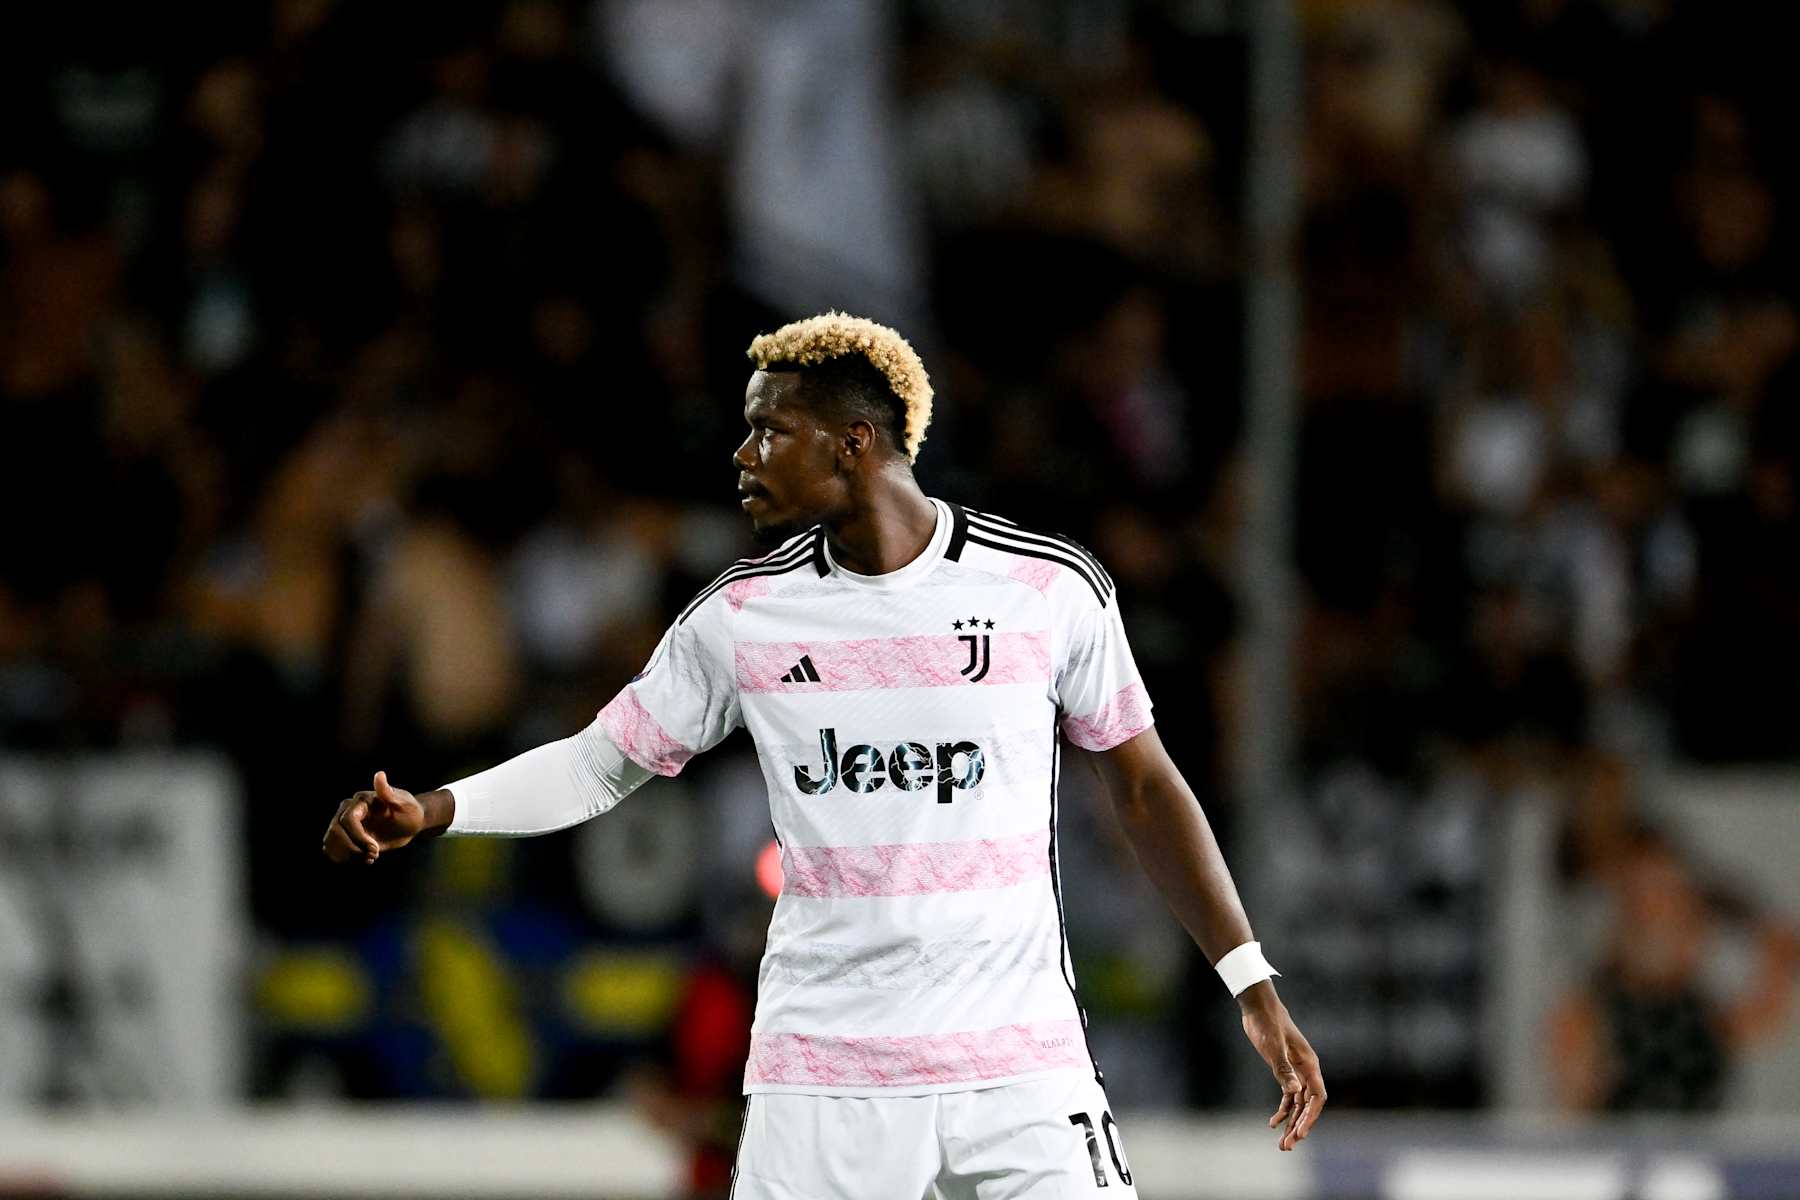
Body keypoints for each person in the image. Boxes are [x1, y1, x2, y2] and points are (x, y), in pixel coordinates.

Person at [323, 313, 1325, 1196]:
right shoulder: (742, 617)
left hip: (1020, 1069)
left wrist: (1251, 982)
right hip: (826, 1079)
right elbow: (597, 765)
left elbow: (1146, 788)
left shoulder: (1045, 589)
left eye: (771, 430)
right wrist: (436, 807)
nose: (742, 454)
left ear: (853, 444)